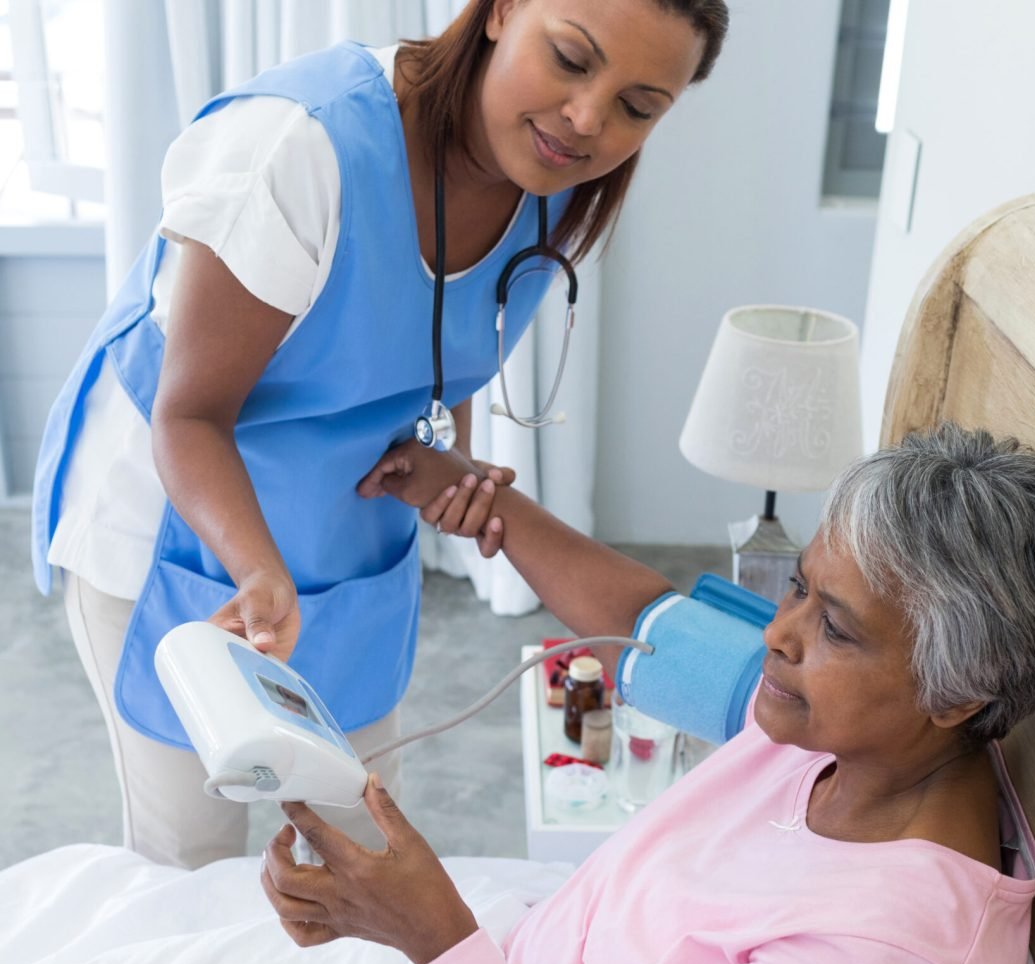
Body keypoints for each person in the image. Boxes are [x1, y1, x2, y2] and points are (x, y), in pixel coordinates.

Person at [255, 423, 1035, 964]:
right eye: (797, 586)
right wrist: (476, 498)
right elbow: (646, 624)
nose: (776, 636)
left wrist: (431, 936)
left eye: (833, 627)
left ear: (960, 691)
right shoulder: (838, 735)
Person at [29, 0, 730, 868]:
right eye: (571, 59)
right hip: (180, 533)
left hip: (343, 539)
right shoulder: (301, 148)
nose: (588, 119)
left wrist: (451, 465)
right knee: (192, 859)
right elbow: (190, 413)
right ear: (503, 11)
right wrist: (255, 569)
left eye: (638, 106)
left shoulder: (552, 178)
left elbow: (439, 347)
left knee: (361, 841)